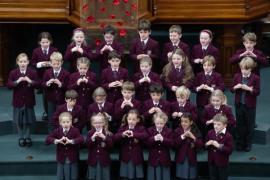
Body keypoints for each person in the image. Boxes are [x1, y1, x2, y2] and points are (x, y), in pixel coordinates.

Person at [7, 53, 39, 147]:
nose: (23, 63)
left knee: (28, 120)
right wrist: (17, 81)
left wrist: (30, 81)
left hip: (29, 100)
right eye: (21, 61)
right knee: (19, 120)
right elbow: (9, 85)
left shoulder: (32, 72)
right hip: (18, 101)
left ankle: (27, 136)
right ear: (17, 62)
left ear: (28, 62)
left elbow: (38, 84)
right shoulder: (13, 73)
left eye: (25, 61)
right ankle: (21, 137)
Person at [231, 57, 260, 152]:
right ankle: (239, 143)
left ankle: (248, 144)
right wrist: (235, 87)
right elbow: (231, 89)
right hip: (239, 104)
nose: (243, 71)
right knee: (240, 124)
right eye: (242, 68)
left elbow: (257, 92)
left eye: (246, 69)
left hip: (250, 106)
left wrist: (249, 89)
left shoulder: (255, 78)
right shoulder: (237, 76)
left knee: (249, 125)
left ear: (251, 68)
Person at [46, 112, 84, 180]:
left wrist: (71, 141)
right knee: (61, 175)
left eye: (68, 122)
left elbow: (81, 139)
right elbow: (48, 139)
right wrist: (57, 140)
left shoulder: (75, 130)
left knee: (73, 176)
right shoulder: (57, 131)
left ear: (71, 122)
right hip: (61, 157)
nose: (66, 124)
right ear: (60, 123)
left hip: (72, 157)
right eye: (63, 122)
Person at [114, 109, 148, 180]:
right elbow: (115, 137)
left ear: (138, 120)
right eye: (129, 119)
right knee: (125, 176)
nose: (131, 121)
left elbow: (145, 135)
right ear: (127, 119)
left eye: (133, 119)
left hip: (136, 156)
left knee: (136, 176)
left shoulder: (141, 128)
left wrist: (134, 134)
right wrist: (122, 134)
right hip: (125, 156)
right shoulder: (123, 128)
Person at [31, 31, 58, 120]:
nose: (45, 44)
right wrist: (40, 64)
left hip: (52, 75)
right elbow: (33, 62)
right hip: (41, 76)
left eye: (47, 42)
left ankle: (53, 112)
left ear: (50, 41)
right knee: (44, 96)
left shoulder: (54, 50)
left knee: (52, 95)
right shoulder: (36, 51)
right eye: (43, 42)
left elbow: (58, 60)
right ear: (39, 42)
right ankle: (46, 112)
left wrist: (51, 64)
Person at [193, 55, 224, 125]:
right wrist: (198, 88)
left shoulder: (217, 76)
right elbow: (193, 88)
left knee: (213, 120)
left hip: (213, 103)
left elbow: (222, 88)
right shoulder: (199, 75)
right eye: (204, 65)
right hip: (201, 103)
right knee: (201, 120)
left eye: (209, 65)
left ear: (214, 66)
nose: (206, 67)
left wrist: (211, 89)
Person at [42, 52, 70, 129]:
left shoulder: (66, 73)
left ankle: (62, 133)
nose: (56, 66)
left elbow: (68, 86)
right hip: (51, 99)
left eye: (58, 64)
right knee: (51, 118)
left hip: (61, 99)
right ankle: (52, 135)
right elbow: (43, 84)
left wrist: (61, 84)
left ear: (62, 63)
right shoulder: (47, 72)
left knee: (62, 117)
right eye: (54, 64)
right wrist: (47, 83)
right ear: (51, 63)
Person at [174, 113, 203, 180]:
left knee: (192, 176)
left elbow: (201, 145)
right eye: (182, 121)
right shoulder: (177, 131)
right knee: (181, 177)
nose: (183, 123)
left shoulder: (196, 131)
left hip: (191, 158)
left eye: (186, 122)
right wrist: (182, 136)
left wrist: (193, 137)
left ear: (191, 122)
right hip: (181, 158)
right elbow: (174, 145)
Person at [205, 114, 233, 180]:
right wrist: (207, 144)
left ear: (225, 125)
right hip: (212, 161)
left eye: (218, 124)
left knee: (222, 177)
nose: (216, 126)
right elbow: (205, 145)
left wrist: (219, 146)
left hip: (222, 163)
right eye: (214, 124)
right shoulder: (210, 133)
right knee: (213, 177)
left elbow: (229, 150)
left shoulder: (228, 136)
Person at [86, 113, 113, 180]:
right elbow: (87, 146)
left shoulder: (107, 133)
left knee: (104, 176)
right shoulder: (90, 133)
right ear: (92, 123)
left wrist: (105, 138)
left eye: (100, 123)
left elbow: (111, 146)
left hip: (104, 159)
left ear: (103, 123)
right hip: (93, 159)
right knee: (93, 176)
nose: (98, 124)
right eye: (95, 123)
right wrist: (92, 138)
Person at [146, 112, 173, 180]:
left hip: (165, 158)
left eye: (161, 123)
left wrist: (163, 139)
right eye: (157, 123)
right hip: (153, 158)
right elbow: (146, 143)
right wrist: (154, 138)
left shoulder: (169, 131)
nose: (159, 125)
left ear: (165, 122)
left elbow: (172, 143)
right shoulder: (150, 130)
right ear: (154, 122)